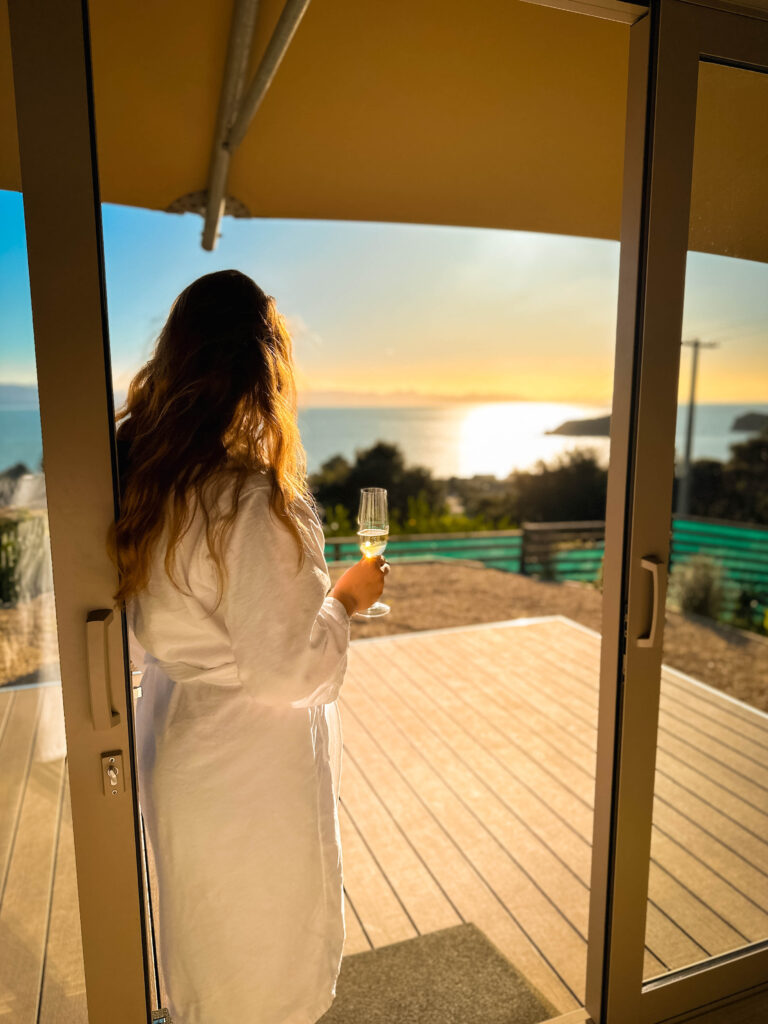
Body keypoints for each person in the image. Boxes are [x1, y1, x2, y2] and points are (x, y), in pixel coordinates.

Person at [109, 269, 389, 1024]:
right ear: (264, 368)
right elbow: (285, 670)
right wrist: (346, 600)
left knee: (206, 946)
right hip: (246, 766)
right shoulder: (245, 499)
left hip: (179, 740)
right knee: (261, 965)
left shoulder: (150, 481)